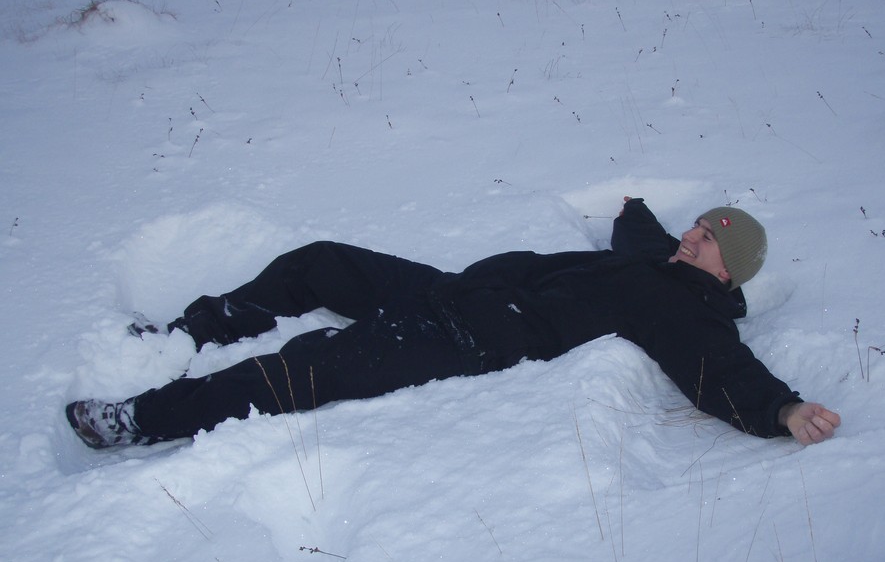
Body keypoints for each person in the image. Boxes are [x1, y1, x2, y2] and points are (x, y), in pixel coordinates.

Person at [65, 197, 840, 449]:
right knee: (321, 263)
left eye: (708, 240)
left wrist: (782, 409)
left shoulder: (688, 311)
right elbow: (642, 233)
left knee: (305, 367)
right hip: (453, 292)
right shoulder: (659, 259)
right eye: (697, 226)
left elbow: (720, 372)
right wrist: (634, 207)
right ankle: (190, 333)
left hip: (470, 339)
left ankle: (142, 419)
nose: (692, 238)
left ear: (729, 274)